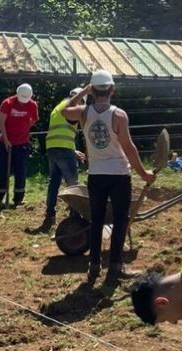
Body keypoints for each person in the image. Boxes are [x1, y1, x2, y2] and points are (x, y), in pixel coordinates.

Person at [61, 70, 155, 285]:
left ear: (93, 91)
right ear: (112, 90)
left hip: (96, 175)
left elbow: (64, 110)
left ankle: (93, 264)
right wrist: (144, 174)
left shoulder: (83, 113)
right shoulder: (119, 115)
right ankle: (115, 265)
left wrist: (83, 92)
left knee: (96, 220)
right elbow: (129, 148)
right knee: (120, 220)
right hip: (119, 174)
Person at [41, 86, 86, 231]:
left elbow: (62, 130)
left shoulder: (58, 107)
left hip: (53, 148)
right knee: (73, 184)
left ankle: (50, 215)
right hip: (63, 149)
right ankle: (75, 215)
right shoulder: (72, 107)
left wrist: (73, 150)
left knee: (54, 183)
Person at [0, 83, 38, 210]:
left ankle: (18, 199)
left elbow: (33, 120)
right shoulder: (7, 103)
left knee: (20, 171)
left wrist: (24, 129)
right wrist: (6, 139)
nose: (23, 103)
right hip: (5, 143)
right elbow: (1, 122)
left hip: (22, 144)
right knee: (3, 171)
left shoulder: (32, 105)